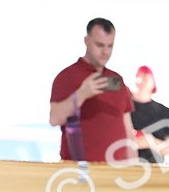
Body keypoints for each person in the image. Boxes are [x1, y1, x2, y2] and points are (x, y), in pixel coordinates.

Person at [48, 18, 136, 163]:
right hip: (80, 171)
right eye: (99, 45)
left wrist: (134, 167)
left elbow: (127, 128)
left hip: (117, 172)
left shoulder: (116, 80)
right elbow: (55, 118)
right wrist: (82, 94)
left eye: (110, 46)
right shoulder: (67, 77)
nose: (105, 52)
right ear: (86, 41)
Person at [130, 65, 169, 164]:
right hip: (123, 167)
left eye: (146, 77)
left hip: (153, 169)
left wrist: (150, 142)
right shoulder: (123, 110)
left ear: (153, 83)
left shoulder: (165, 112)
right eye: (139, 77)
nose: (142, 80)